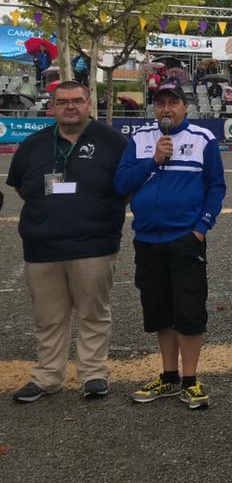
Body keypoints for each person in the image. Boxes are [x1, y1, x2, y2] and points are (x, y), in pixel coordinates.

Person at [7, 82, 128, 403]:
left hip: (94, 245)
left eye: (77, 101)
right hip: (42, 249)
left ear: (89, 103)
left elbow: (127, 186)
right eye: (63, 102)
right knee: (48, 318)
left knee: (94, 313)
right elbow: (21, 186)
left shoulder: (113, 142)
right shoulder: (32, 145)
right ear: (53, 106)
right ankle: (48, 377)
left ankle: (93, 373)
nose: (70, 107)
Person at [114, 81, 226, 410]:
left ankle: (191, 380)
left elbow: (216, 188)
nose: (166, 108)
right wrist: (153, 160)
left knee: (189, 310)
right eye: (160, 102)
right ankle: (168, 376)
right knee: (160, 312)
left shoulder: (203, 139)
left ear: (185, 106)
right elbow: (121, 183)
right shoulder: (140, 139)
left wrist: (201, 227)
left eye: (172, 102)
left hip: (185, 239)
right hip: (147, 239)